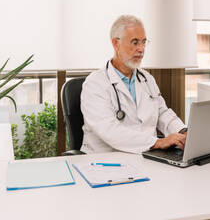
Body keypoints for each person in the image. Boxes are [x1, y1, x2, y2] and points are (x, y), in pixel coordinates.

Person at [80, 15, 187, 154]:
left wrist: (183, 131)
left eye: (143, 42)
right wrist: (157, 142)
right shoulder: (95, 84)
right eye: (135, 42)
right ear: (116, 44)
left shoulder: (147, 79)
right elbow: (109, 131)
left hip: (146, 156)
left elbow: (162, 113)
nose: (141, 49)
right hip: (105, 161)